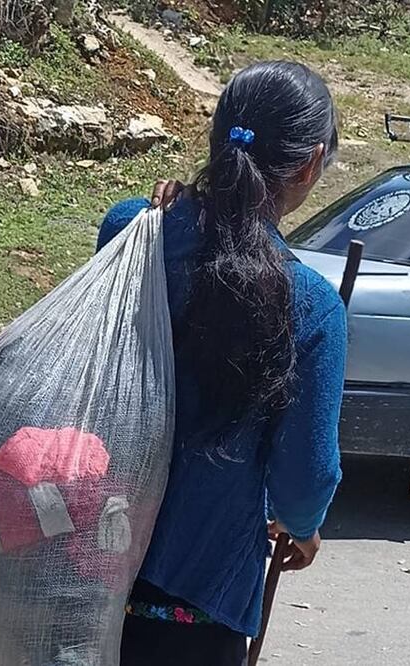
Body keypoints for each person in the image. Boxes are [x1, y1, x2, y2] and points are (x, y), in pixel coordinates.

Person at [97, 61, 347, 665]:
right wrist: (302, 524)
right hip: (199, 595)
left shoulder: (130, 230)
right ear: (311, 164)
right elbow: (304, 476)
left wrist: (169, 206)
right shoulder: (310, 306)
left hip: (88, 561)